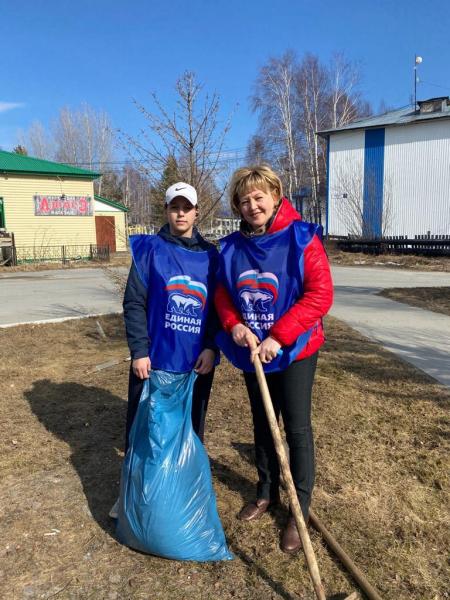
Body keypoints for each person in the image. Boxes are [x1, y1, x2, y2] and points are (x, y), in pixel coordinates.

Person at [214, 165, 333, 554]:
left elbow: (320, 294)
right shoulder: (231, 247)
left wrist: (280, 336)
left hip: (295, 348)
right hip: (253, 349)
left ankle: (298, 508)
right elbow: (221, 294)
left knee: (296, 428)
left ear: (276, 195)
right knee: (264, 423)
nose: (252, 206)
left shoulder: (302, 238)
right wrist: (234, 325)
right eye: (244, 200)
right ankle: (266, 491)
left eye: (258, 197)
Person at [109, 181, 219, 519]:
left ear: (197, 212)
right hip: (153, 361)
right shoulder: (149, 251)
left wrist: (213, 347)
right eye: (175, 207)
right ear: (168, 211)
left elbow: (218, 308)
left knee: (190, 428)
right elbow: (134, 303)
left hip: (194, 364)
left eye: (187, 207)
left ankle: (180, 492)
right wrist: (139, 350)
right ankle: (131, 493)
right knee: (142, 429)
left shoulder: (212, 257)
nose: (181, 213)